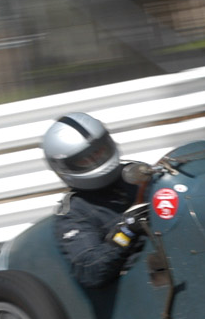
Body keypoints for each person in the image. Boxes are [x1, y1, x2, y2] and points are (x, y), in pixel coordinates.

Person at [42, 113, 147, 288]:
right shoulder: (73, 213)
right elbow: (90, 270)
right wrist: (126, 231)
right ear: (65, 166)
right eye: (85, 160)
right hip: (141, 282)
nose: (96, 160)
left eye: (99, 151)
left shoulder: (136, 173)